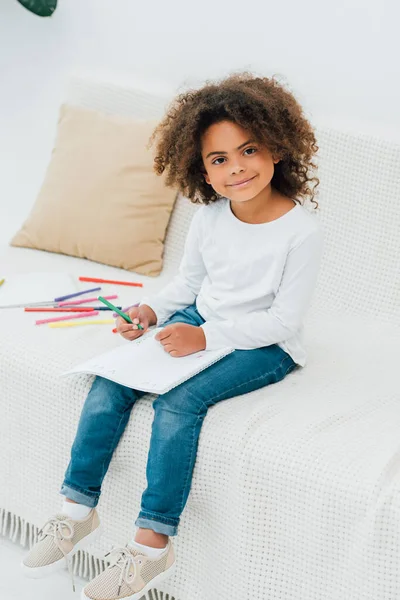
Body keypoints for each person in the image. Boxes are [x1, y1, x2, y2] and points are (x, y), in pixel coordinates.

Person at [22, 71, 324, 600]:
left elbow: (283, 321)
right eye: (219, 159)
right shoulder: (209, 217)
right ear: (201, 170)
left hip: (266, 344)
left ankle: (150, 549)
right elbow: (187, 284)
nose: (237, 168)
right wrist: (149, 311)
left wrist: (203, 339)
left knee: (178, 406)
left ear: (277, 148)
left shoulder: (301, 231)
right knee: (109, 382)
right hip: (202, 321)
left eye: (248, 150)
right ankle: (76, 512)